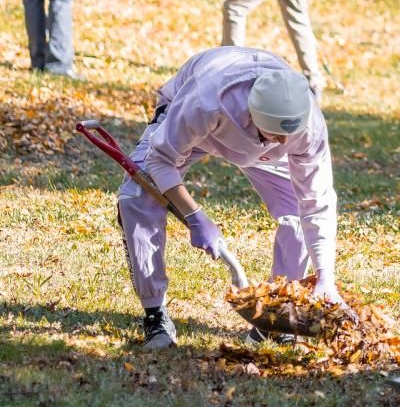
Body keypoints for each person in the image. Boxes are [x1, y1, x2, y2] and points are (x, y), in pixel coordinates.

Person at [116, 46, 341, 349]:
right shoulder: (205, 102)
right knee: (136, 197)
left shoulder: (306, 126)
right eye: (277, 135)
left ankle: (272, 316)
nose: (287, 143)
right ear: (253, 115)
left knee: (299, 214)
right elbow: (161, 160)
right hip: (200, 130)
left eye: (291, 136)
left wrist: (325, 276)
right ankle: (155, 314)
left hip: (262, 147)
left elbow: (318, 202)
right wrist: (195, 216)